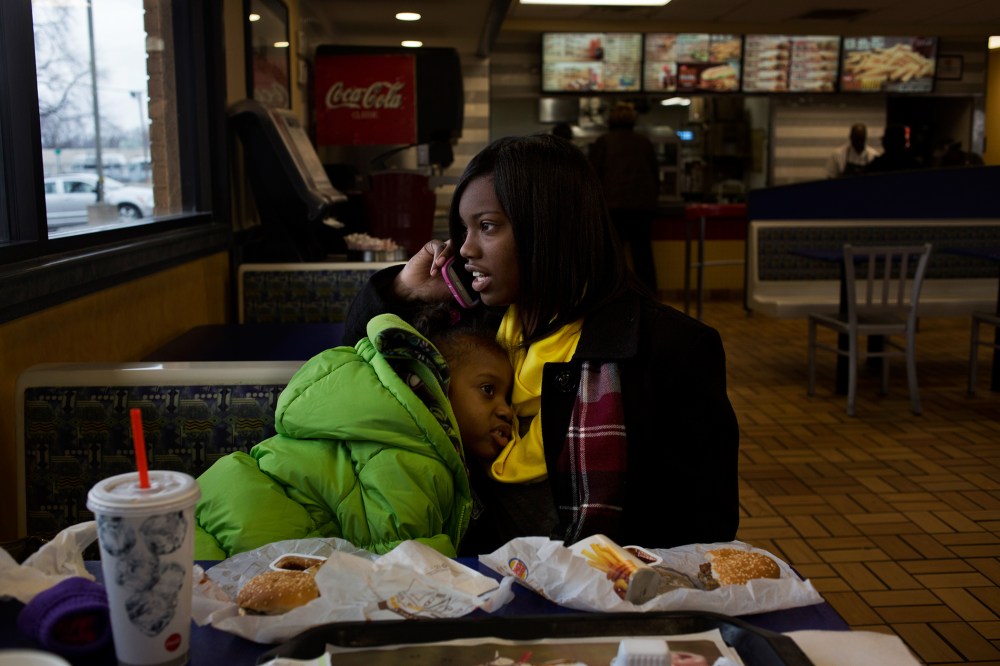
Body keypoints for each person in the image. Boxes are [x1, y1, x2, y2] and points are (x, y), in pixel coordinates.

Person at [343, 134, 740, 553]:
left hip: (603, 600)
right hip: (469, 588)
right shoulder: (466, 330)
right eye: (463, 229)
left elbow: (704, 526)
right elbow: (346, 378)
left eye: (488, 226)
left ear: (549, 227)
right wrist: (404, 290)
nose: (466, 248)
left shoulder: (669, 350)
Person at [193, 310, 514, 560]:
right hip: (244, 541)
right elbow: (403, 565)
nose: (506, 411)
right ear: (439, 387)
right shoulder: (416, 459)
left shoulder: (391, 428)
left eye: (509, 398)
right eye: (488, 390)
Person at [588, 102, 661, 295]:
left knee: (611, 257)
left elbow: (592, 176)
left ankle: (611, 298)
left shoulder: (603, 142)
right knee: (643, 257)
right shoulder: (644, 142)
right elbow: (654, 174)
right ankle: (649, 299)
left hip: (612, 208)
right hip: (643, 207)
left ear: (610, 119)